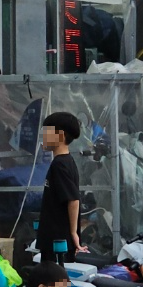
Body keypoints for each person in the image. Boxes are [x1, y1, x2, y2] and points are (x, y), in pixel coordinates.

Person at [37, 111, 83, 264]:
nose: (43, 136)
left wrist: (73, 232)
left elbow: (73, 199)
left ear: (60, 136)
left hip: (58, 243)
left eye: (47, 132)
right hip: (56, 241)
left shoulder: (60, 165)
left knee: (56, 284)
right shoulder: (66, 161)